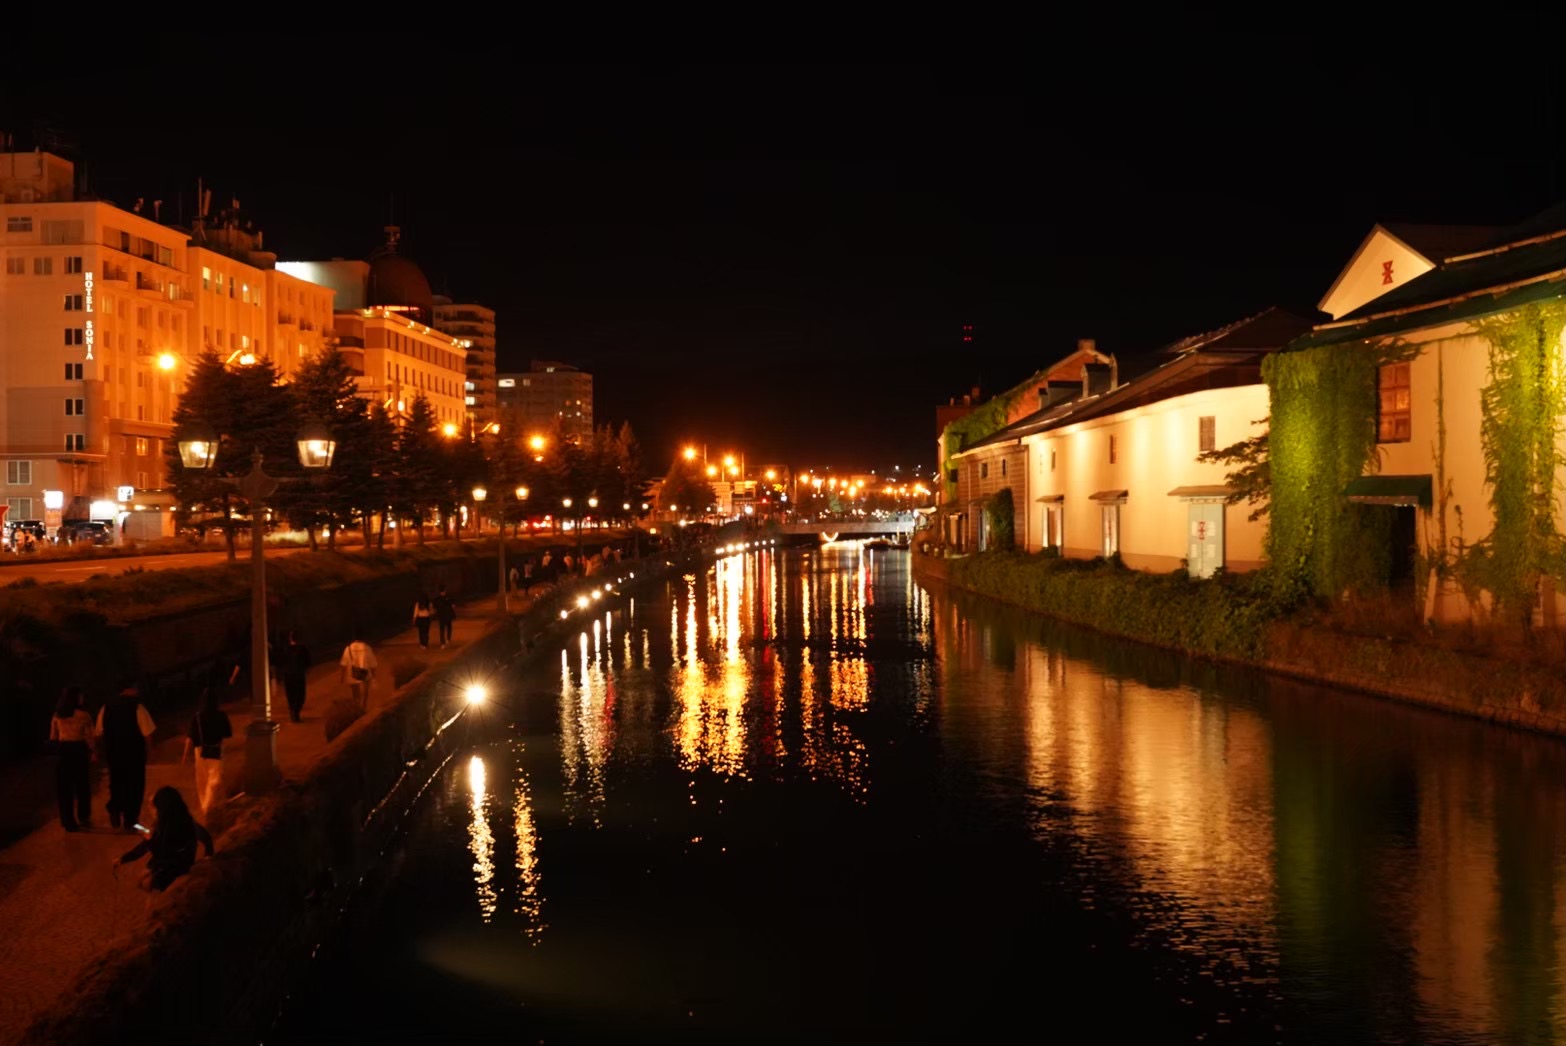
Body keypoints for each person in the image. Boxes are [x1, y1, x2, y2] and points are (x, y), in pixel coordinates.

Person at [112, 786, 214, 892]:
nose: (152, 810)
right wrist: (123, 859)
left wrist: (149, 839)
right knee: (143, 879)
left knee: (147, 882)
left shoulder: (182, 825)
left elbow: (163, 852)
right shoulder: (163, 823)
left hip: (177, 865)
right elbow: (143, 848)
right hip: (168, 862)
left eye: (155, 807)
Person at [96, 678, 155, 831]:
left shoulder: (106, 708)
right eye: (135, 687)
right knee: (135, 785)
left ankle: (115, 808)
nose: (137, 690)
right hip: (133, 753)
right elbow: (147, 733)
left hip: (114, 753)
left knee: (117, 783)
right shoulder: (137, 707)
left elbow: (99, 732)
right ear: (127, 690)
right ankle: (130, 819)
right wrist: (150, 752)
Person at [181, 688, 232, 818]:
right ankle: (207, 806)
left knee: (202, 781)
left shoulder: (197, 717)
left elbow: (190, 738)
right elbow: (228, 734)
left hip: (200, 752)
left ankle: (205, 805)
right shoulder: (221, 715)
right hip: (216, 750)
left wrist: (185, 755)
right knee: (214, 780)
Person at [49, 685, 94, 831]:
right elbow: (89, 736)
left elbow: (53, 736)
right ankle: (84, 816)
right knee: (82, 785)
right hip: (79, 749)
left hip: (63, 750)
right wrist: (94, 751)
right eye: (81, 696)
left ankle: (68, 821)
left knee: (64, 788)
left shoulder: (57, 715)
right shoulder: (84, 715)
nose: (83, 698)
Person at [340, 630, 378, 710]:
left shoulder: (348, 648)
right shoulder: (367, 648)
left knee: (355, 694)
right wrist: (374, 676)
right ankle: (363, 708)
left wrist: (342, 677)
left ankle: (356, 708)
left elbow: (343, 664)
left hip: (352, 675)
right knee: (364, 694)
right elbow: (373, 664)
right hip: (365, 675)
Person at [280, 629, 312, 722]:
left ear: (290, 638)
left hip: (288, 676)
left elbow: (281, 661)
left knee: (291, 695)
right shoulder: (303, 649)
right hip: (299, 675)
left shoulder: (285, 649)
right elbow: (308, 662)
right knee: (300, 695)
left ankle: (293, 710)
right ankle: (296, 711)